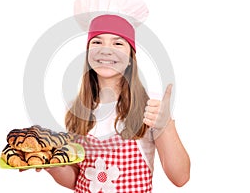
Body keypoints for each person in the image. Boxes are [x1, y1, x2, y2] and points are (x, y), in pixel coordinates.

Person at [38, 13, 190, 192]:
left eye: (118, 43)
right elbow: (78, 178)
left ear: (130, 58)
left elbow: (180, 177)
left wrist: (166, 126)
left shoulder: (150, 104)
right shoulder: (75, 108)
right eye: (97, 42)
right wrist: (52, 165)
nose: (106, 50)